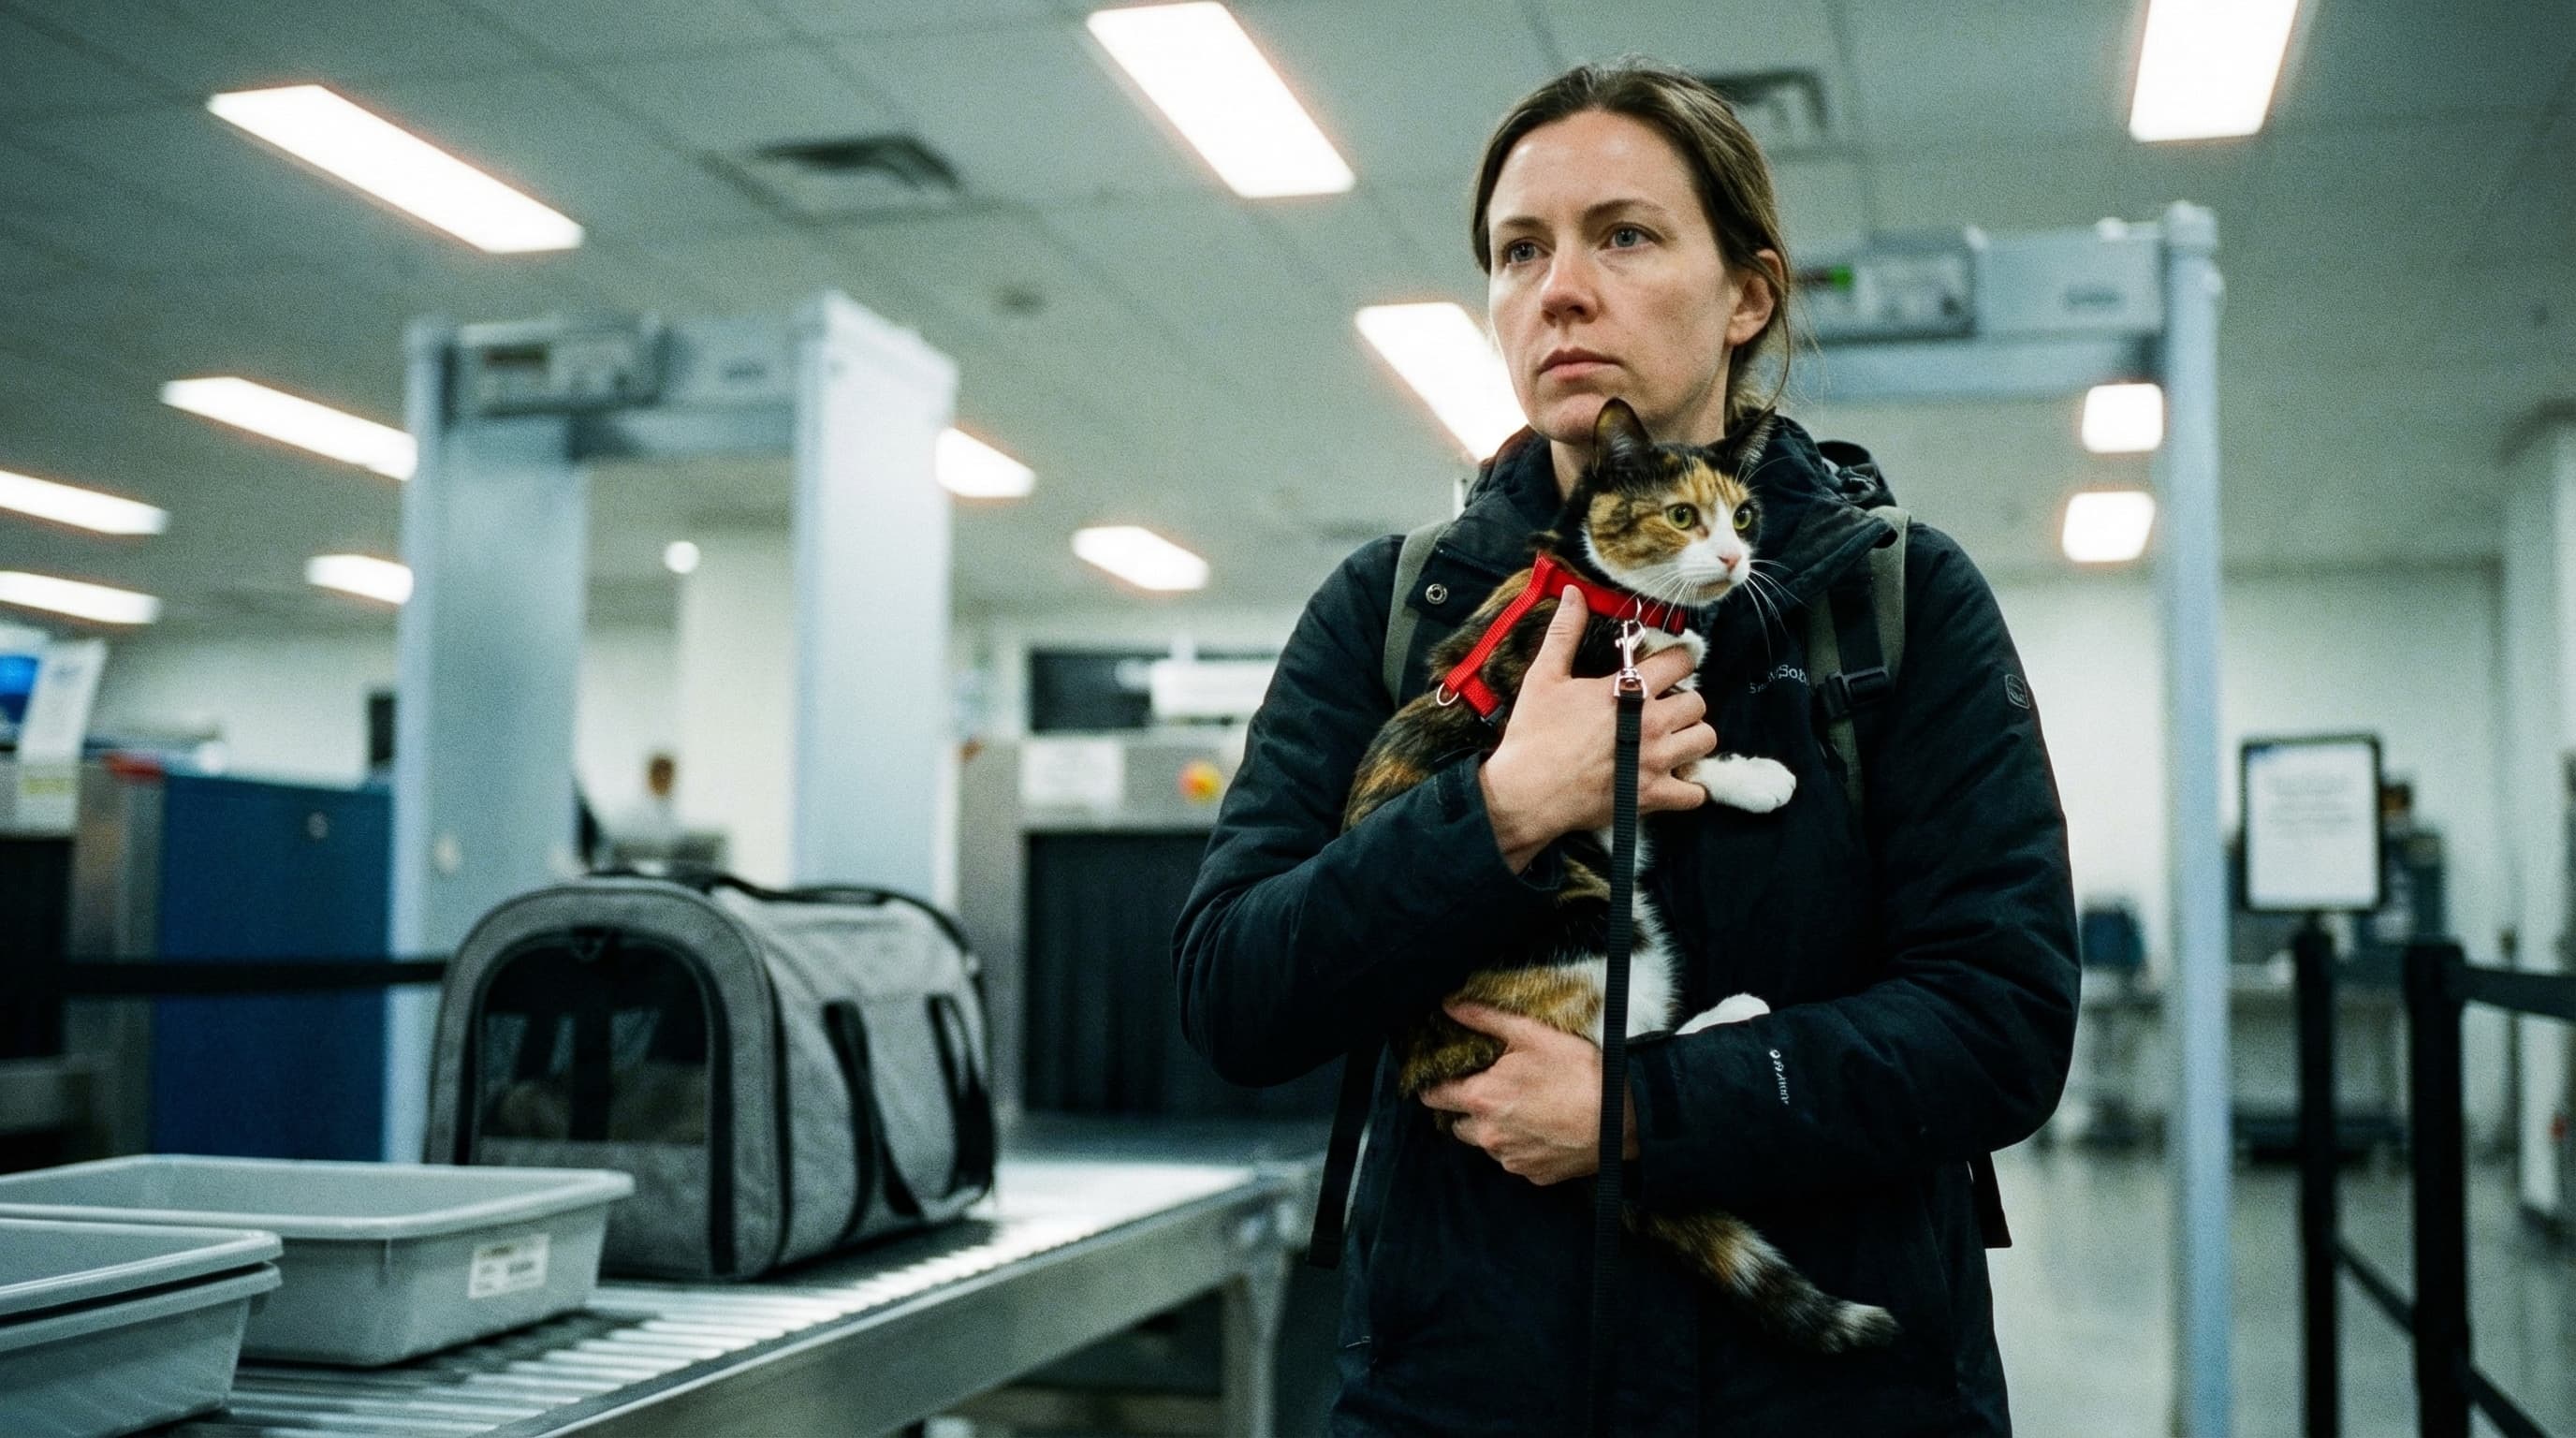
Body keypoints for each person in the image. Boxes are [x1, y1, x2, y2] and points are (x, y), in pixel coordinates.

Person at [1173, 60, 2079, 1437]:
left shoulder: (1888, 599)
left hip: (1834, 1402)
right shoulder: (1395, 610)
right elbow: (1235, 990)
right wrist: (1496, 815)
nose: (1560, 289)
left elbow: (2001, 1024)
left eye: (1626, 235)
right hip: (1467, 1398)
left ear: (1749, 295)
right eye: (1518, 250)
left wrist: (1645, 1107)